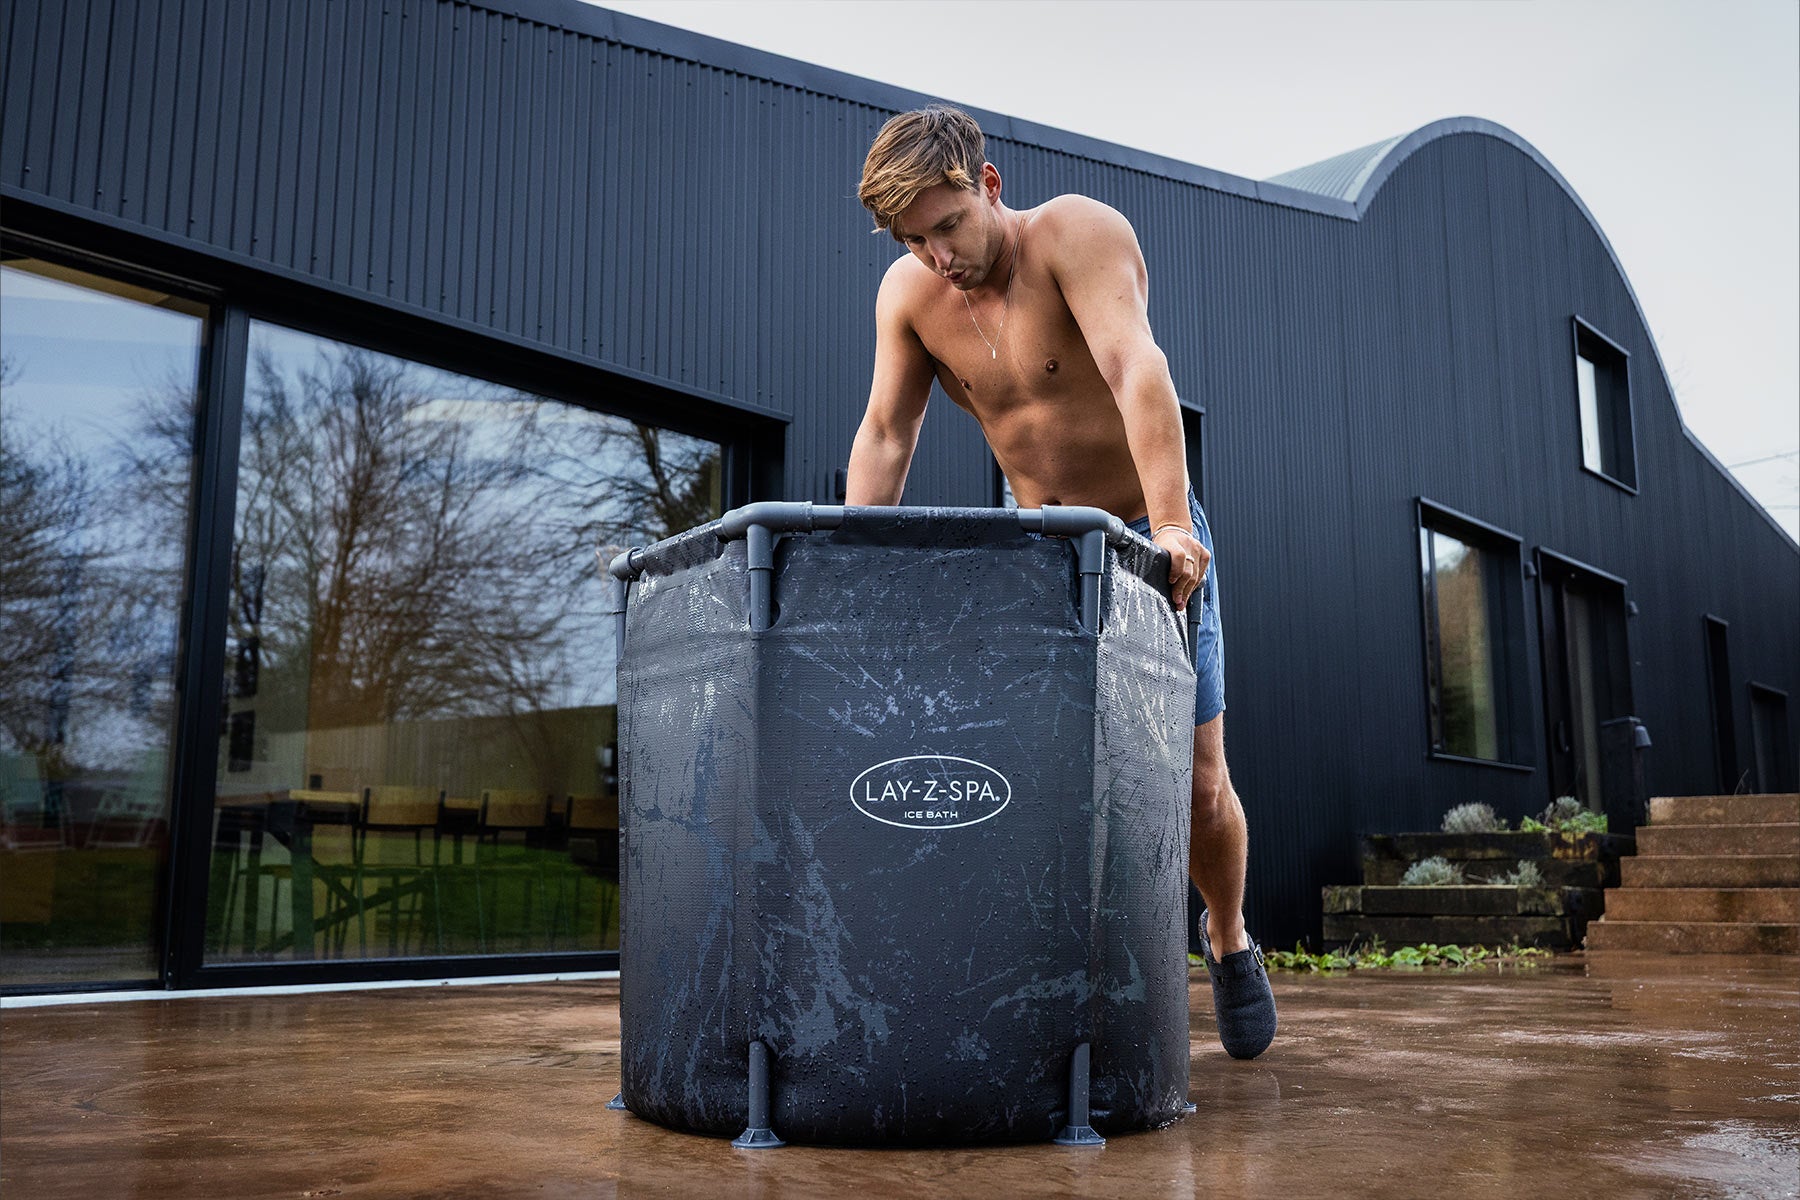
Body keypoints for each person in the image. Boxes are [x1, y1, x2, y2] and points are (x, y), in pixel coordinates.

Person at [846, 104, 1276, 1061]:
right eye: (914, 241)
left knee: (1199, 785)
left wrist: (1172, 525)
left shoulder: (1076, 234)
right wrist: (854, 569)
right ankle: (1047, 979)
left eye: (948, 225)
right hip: (1038, 557)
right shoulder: (911, 298)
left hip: (1147, 540)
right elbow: (886, 433)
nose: (938, 256)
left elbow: (1135, 367)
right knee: (1034, 782)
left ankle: (1227, 936)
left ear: (989, 186)